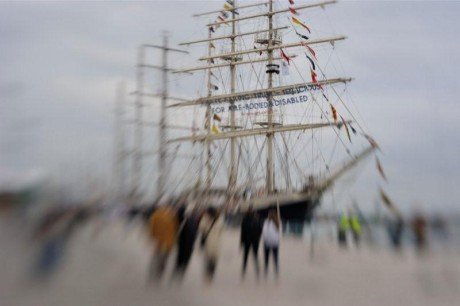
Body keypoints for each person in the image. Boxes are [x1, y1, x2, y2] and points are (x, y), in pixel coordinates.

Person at [148, 204, 179, 282]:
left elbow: (152, 227)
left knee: (156, 255)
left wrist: (152, 236)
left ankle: (153, 270)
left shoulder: (156, 215)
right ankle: (160, 272)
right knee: (165, 258)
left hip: (159, 240)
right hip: (169, 241)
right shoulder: (172, 216)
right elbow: (176, 228)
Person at [199, 207, 224, 283]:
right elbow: (221, 230)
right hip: (216, 242)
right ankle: (211, 275)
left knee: (208, 259)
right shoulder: (220, 219)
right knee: (214, 259)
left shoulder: (205, 219)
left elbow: (201, 228)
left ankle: (208, 274)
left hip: (208, 241)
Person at [174, 206, 199, 279]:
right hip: (189, 242)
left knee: (180, 256)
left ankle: (178, 269)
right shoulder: (193, 220)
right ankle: (182, 270)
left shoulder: (180, 219)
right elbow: (195, 232)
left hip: (182, 242)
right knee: (186, 257)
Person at [240, 206, 262, 278]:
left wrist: (241, 242)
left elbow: (242, 232)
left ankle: (244, 271)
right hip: (254, 240)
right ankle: (256, 270)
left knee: (246, 256)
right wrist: (258, 238)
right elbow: (260, 230)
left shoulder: (245, 219)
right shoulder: (256, 219)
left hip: (248, 240)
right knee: (254, 255)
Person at [262, 209, 281, 277]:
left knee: (266, 258)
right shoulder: (278, 222)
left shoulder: (267, 222)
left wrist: (265, 240)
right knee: (275, 258)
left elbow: (264, 233)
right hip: (275, 243)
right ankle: (276, 271)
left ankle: (266, 271)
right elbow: (280, 234)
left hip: (267, 243)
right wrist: (277, 241)